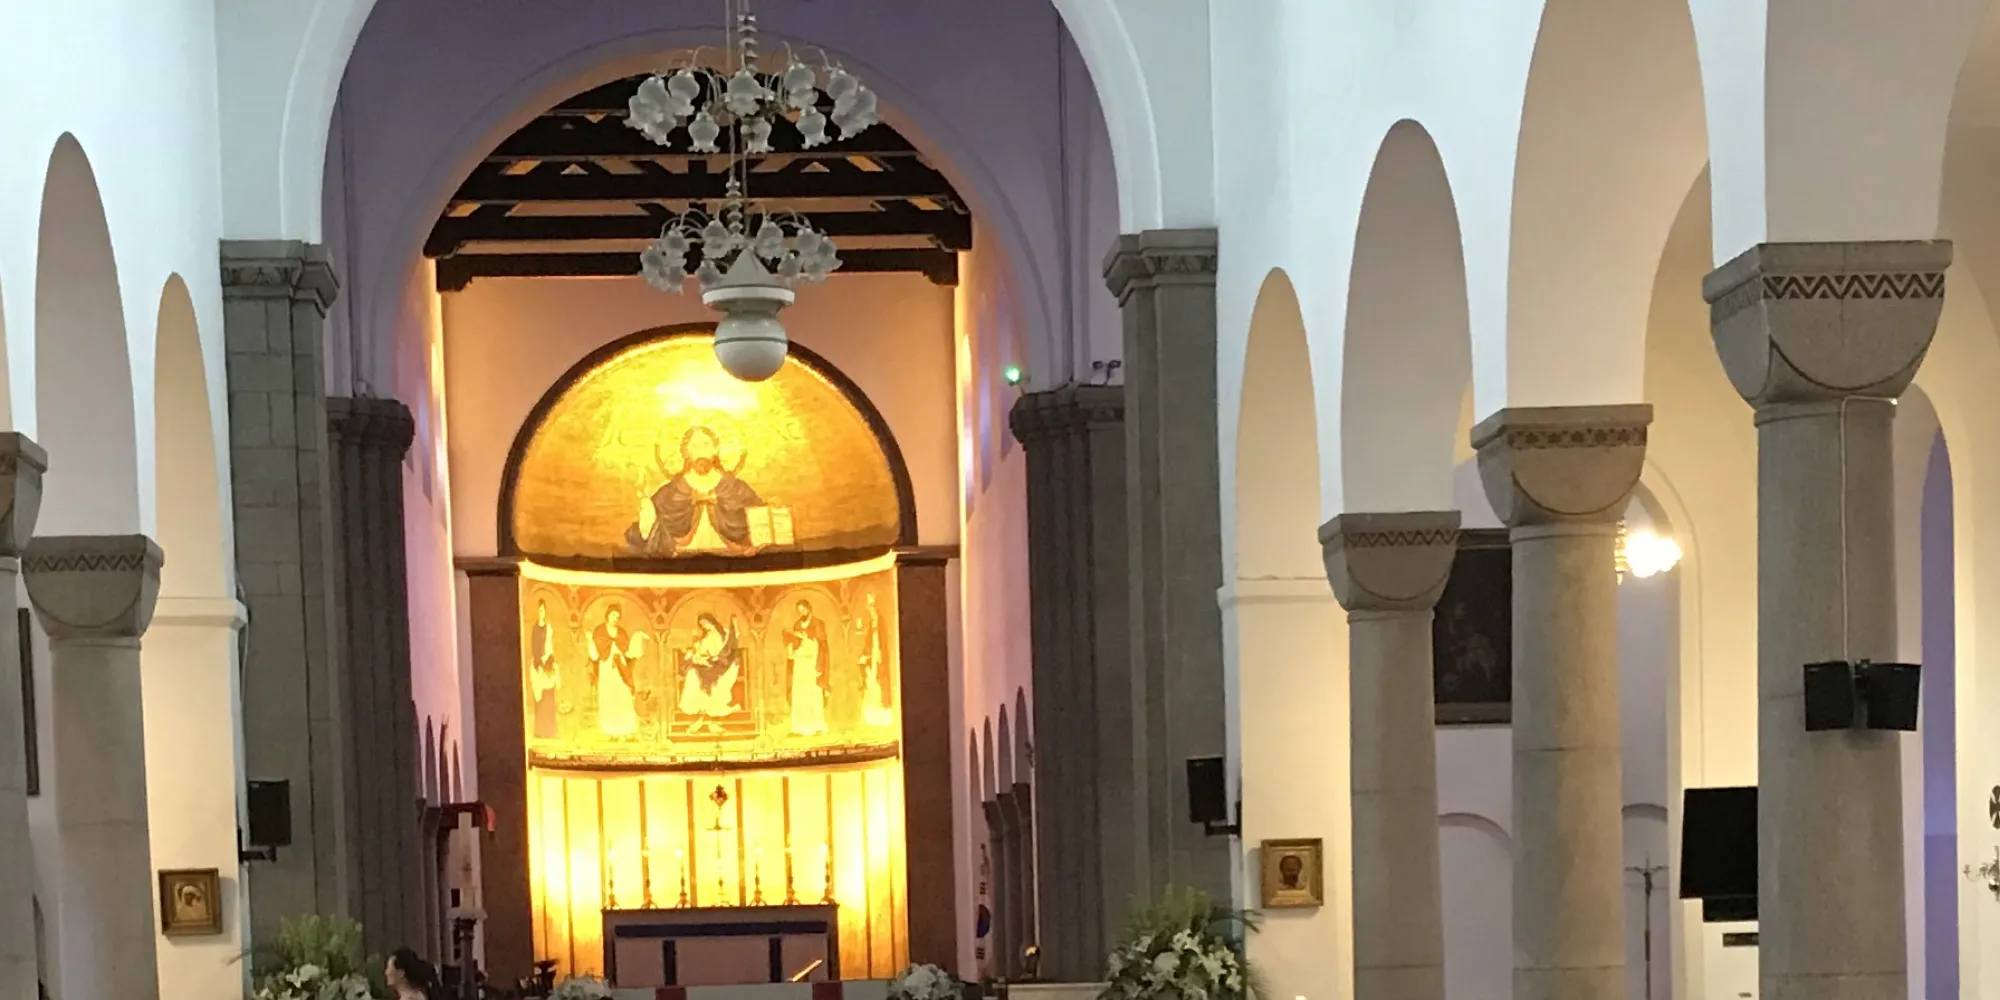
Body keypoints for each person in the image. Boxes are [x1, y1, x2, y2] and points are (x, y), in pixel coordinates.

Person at [627, 425, 764, 556]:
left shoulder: (734, 487)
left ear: (715, 449)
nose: (701, 451)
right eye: (695, 446)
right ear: (686, 452)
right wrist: (647, 512)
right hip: (681, 560)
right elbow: (651, 525)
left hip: (732, 558)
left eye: (706, 444)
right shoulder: (672, 491)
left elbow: (759, 516)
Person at [785, 599, 831, 736]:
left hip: (812, 663)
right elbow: (795, 644)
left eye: (803, 610)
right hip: (800, 664)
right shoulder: (797, 624)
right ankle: (798, 727)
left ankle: (816, 726)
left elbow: (820, 645)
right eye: (799, 611)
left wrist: (805, 637)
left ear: (809, 609)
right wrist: (792, 644)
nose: (802, 613)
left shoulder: (818, 624)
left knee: (813, 694)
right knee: (799, 693)